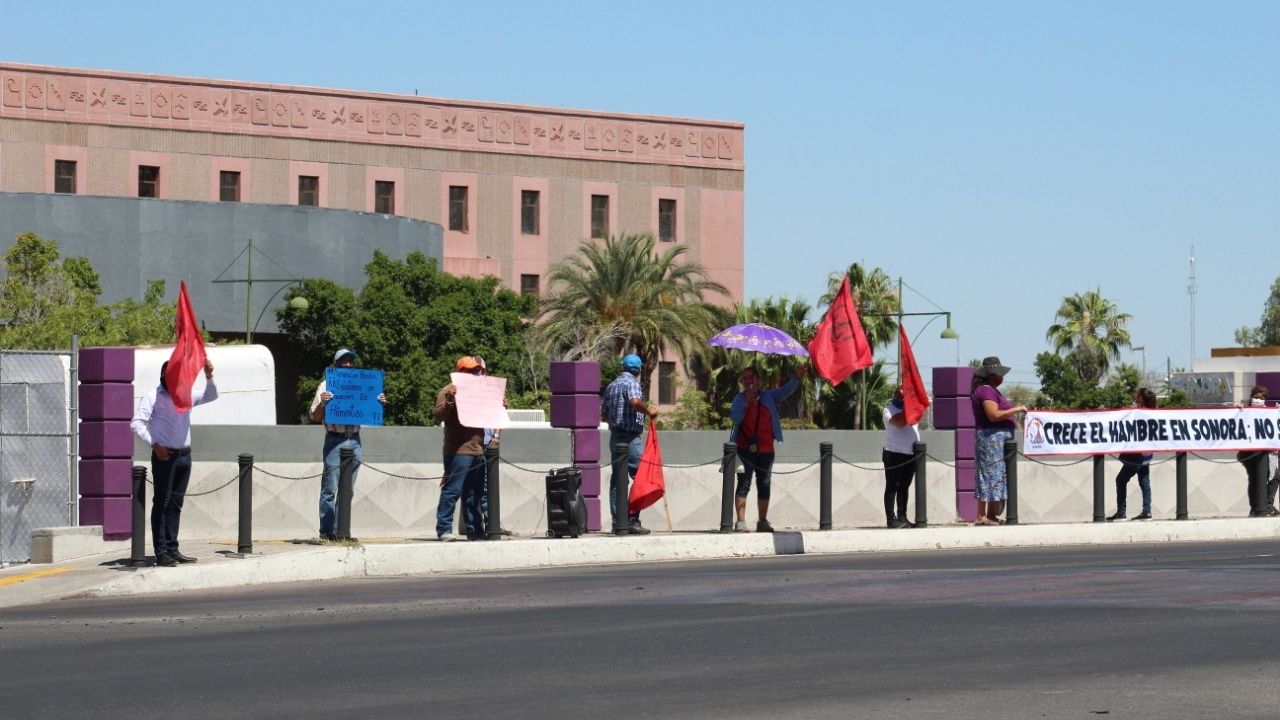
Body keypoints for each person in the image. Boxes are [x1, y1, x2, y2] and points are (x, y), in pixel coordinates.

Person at [130, 358, 217, 567]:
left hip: (185, 456)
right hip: (165, 456)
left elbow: (211, 395)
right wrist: (154, 444)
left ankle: (172, 548)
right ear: (163, 377)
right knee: (162, 503)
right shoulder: (153, 396)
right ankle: (161, 552)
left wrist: (209, 375)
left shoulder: (184, 395)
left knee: (176, 504)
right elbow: (136, 423)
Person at [309, 348, 385, 542]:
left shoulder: (364, 385)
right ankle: (327, 532)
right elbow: (314, 416)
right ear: (336, 364)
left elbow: (370, 413)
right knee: (330, 489)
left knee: (348, 490)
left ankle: (342, 531)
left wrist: (378, 403)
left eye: (351, 361)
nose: (348, 364)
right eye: (344, 361)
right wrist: (323, 403)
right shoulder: (326, 385)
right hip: (335, 439)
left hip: (355, 440)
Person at [730, 365, 803, 532]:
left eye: (751, 377)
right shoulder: (739, 399)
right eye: (745, 378)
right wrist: (746, 402)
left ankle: (762, 521)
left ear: (759, 381)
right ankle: (740, 522)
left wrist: (796, 378)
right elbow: (735, 418)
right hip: (745, 449)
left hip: (766, 450)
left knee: (764, 483)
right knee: (744, 484)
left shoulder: (768, 396)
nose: (748, 381)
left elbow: (785, 391)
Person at [434, 355, 493, 541]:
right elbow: (438, 415)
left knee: (474, 494)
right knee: (452, 491)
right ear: (461, 372)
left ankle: (475, 530)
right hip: (458, 451)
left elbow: (491, 417)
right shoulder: (448, 390)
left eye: (479, 371)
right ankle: (444, 530)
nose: (477, 373)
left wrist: (501, 407)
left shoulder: (482, 391)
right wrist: (451, 398)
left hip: (478, 450)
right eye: (472, 370)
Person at [601, 353, 657, 534]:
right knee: (641, 476)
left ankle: (618, 521)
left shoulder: (612, 386)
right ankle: (632, 520)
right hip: (630, 438)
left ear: (622, 367)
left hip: (615, 437)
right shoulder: (632, 383)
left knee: (618, 479)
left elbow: (603, 414)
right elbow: (634, 402)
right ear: (639, 370)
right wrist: (649, 412)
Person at [969, 356, 1027, 526]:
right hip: (991, 439)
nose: (1001, 378)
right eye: (999, 374)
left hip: (998, 440)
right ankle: (981, 515)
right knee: (988, 475)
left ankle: (991, 515)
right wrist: (1016, 409)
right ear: (992, 375)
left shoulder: (991, 390)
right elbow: (993, 415)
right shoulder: (986, 391)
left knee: (997, 476)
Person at [1108, 387, 1158, 521]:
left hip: (1136, 454)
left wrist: (1132, 409)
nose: (1134, 395)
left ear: (1141, 398)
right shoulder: (1152, 412)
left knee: (1121, 480)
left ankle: (1121, 512)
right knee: (1144, 481)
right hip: (1147, 453)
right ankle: (1147, 512)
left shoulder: (1136, 412)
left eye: (1137, 394)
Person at [882, 386, 920, 529]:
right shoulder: (889, 410)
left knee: (904, 486)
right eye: (901, 396)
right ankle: (891, 519)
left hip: (910, 454)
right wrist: (909, 408)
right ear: (897, 396)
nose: (903, 398)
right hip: (893, 453)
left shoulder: (911, 409)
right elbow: (899, 422)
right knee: (892, 486)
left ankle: (902, 516)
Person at [1237, 385, 1272, 517]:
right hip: (1247, 452)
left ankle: (1264, 505)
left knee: (1267, 477)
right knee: (1255, 478)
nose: (1258, 400)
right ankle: (1255, 508)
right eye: (1256, 397)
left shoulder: (1268, 411)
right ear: (1252, 397)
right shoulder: (1245, 410)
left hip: (1262, 452)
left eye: (1262, 398)